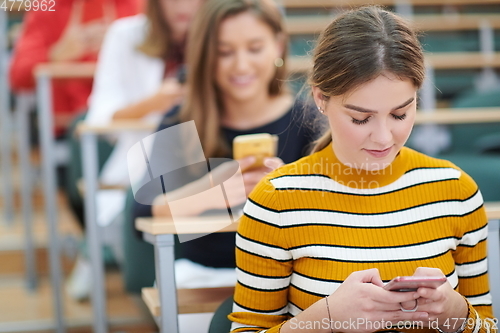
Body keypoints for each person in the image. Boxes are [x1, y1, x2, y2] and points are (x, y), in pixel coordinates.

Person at [228, 6, 495, 333]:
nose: (383, 138)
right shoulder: (275, 201)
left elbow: (486, 325)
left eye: (400, 114)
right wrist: (325, 318)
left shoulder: (457, 191)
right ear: (321, 98)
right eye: (360, 118)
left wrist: (457, 313)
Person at [131, 0, 318, 288]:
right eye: (224, 52)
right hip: (204, 276)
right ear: (205, 55)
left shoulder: (310, 121)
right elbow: (143, 212)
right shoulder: (180, 122)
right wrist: (212, 191)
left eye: (255, 48)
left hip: (295, 276)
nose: (241, 65)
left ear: (278, 46)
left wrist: (290, 190)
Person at [67, 0, 204, 301]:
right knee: (138, 215)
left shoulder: (224, 31)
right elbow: (103, 117)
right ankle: (99, 256)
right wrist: (156, 103)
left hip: (206, 159)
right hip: (140, 163)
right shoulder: (125, 35)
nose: (184, 5)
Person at [9, 0, 142, 136]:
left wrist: (120, 47)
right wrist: (56, 54)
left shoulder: (137, 5)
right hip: (68, 125)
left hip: (130, 117)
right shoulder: (47, 7)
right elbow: (18, 76)